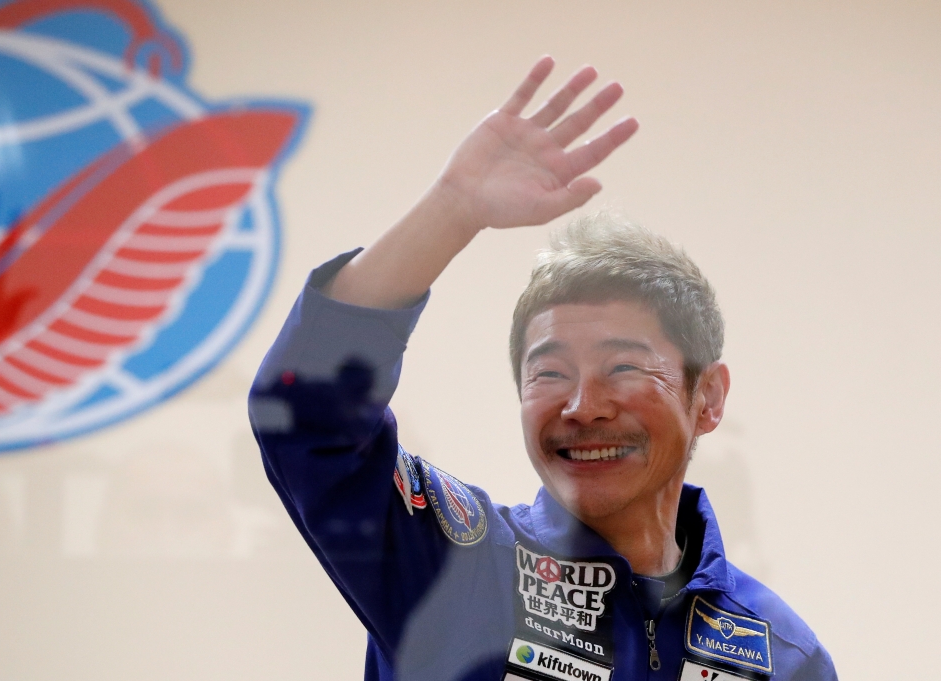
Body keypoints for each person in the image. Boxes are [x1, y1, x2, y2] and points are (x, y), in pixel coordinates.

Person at [249, 57, 837, 681]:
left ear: (708, 397)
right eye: (550, 373)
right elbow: (307, 414)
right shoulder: (460, 567)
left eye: (624, 367)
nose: (583, 404)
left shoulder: (781, 653)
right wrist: (452, 209)